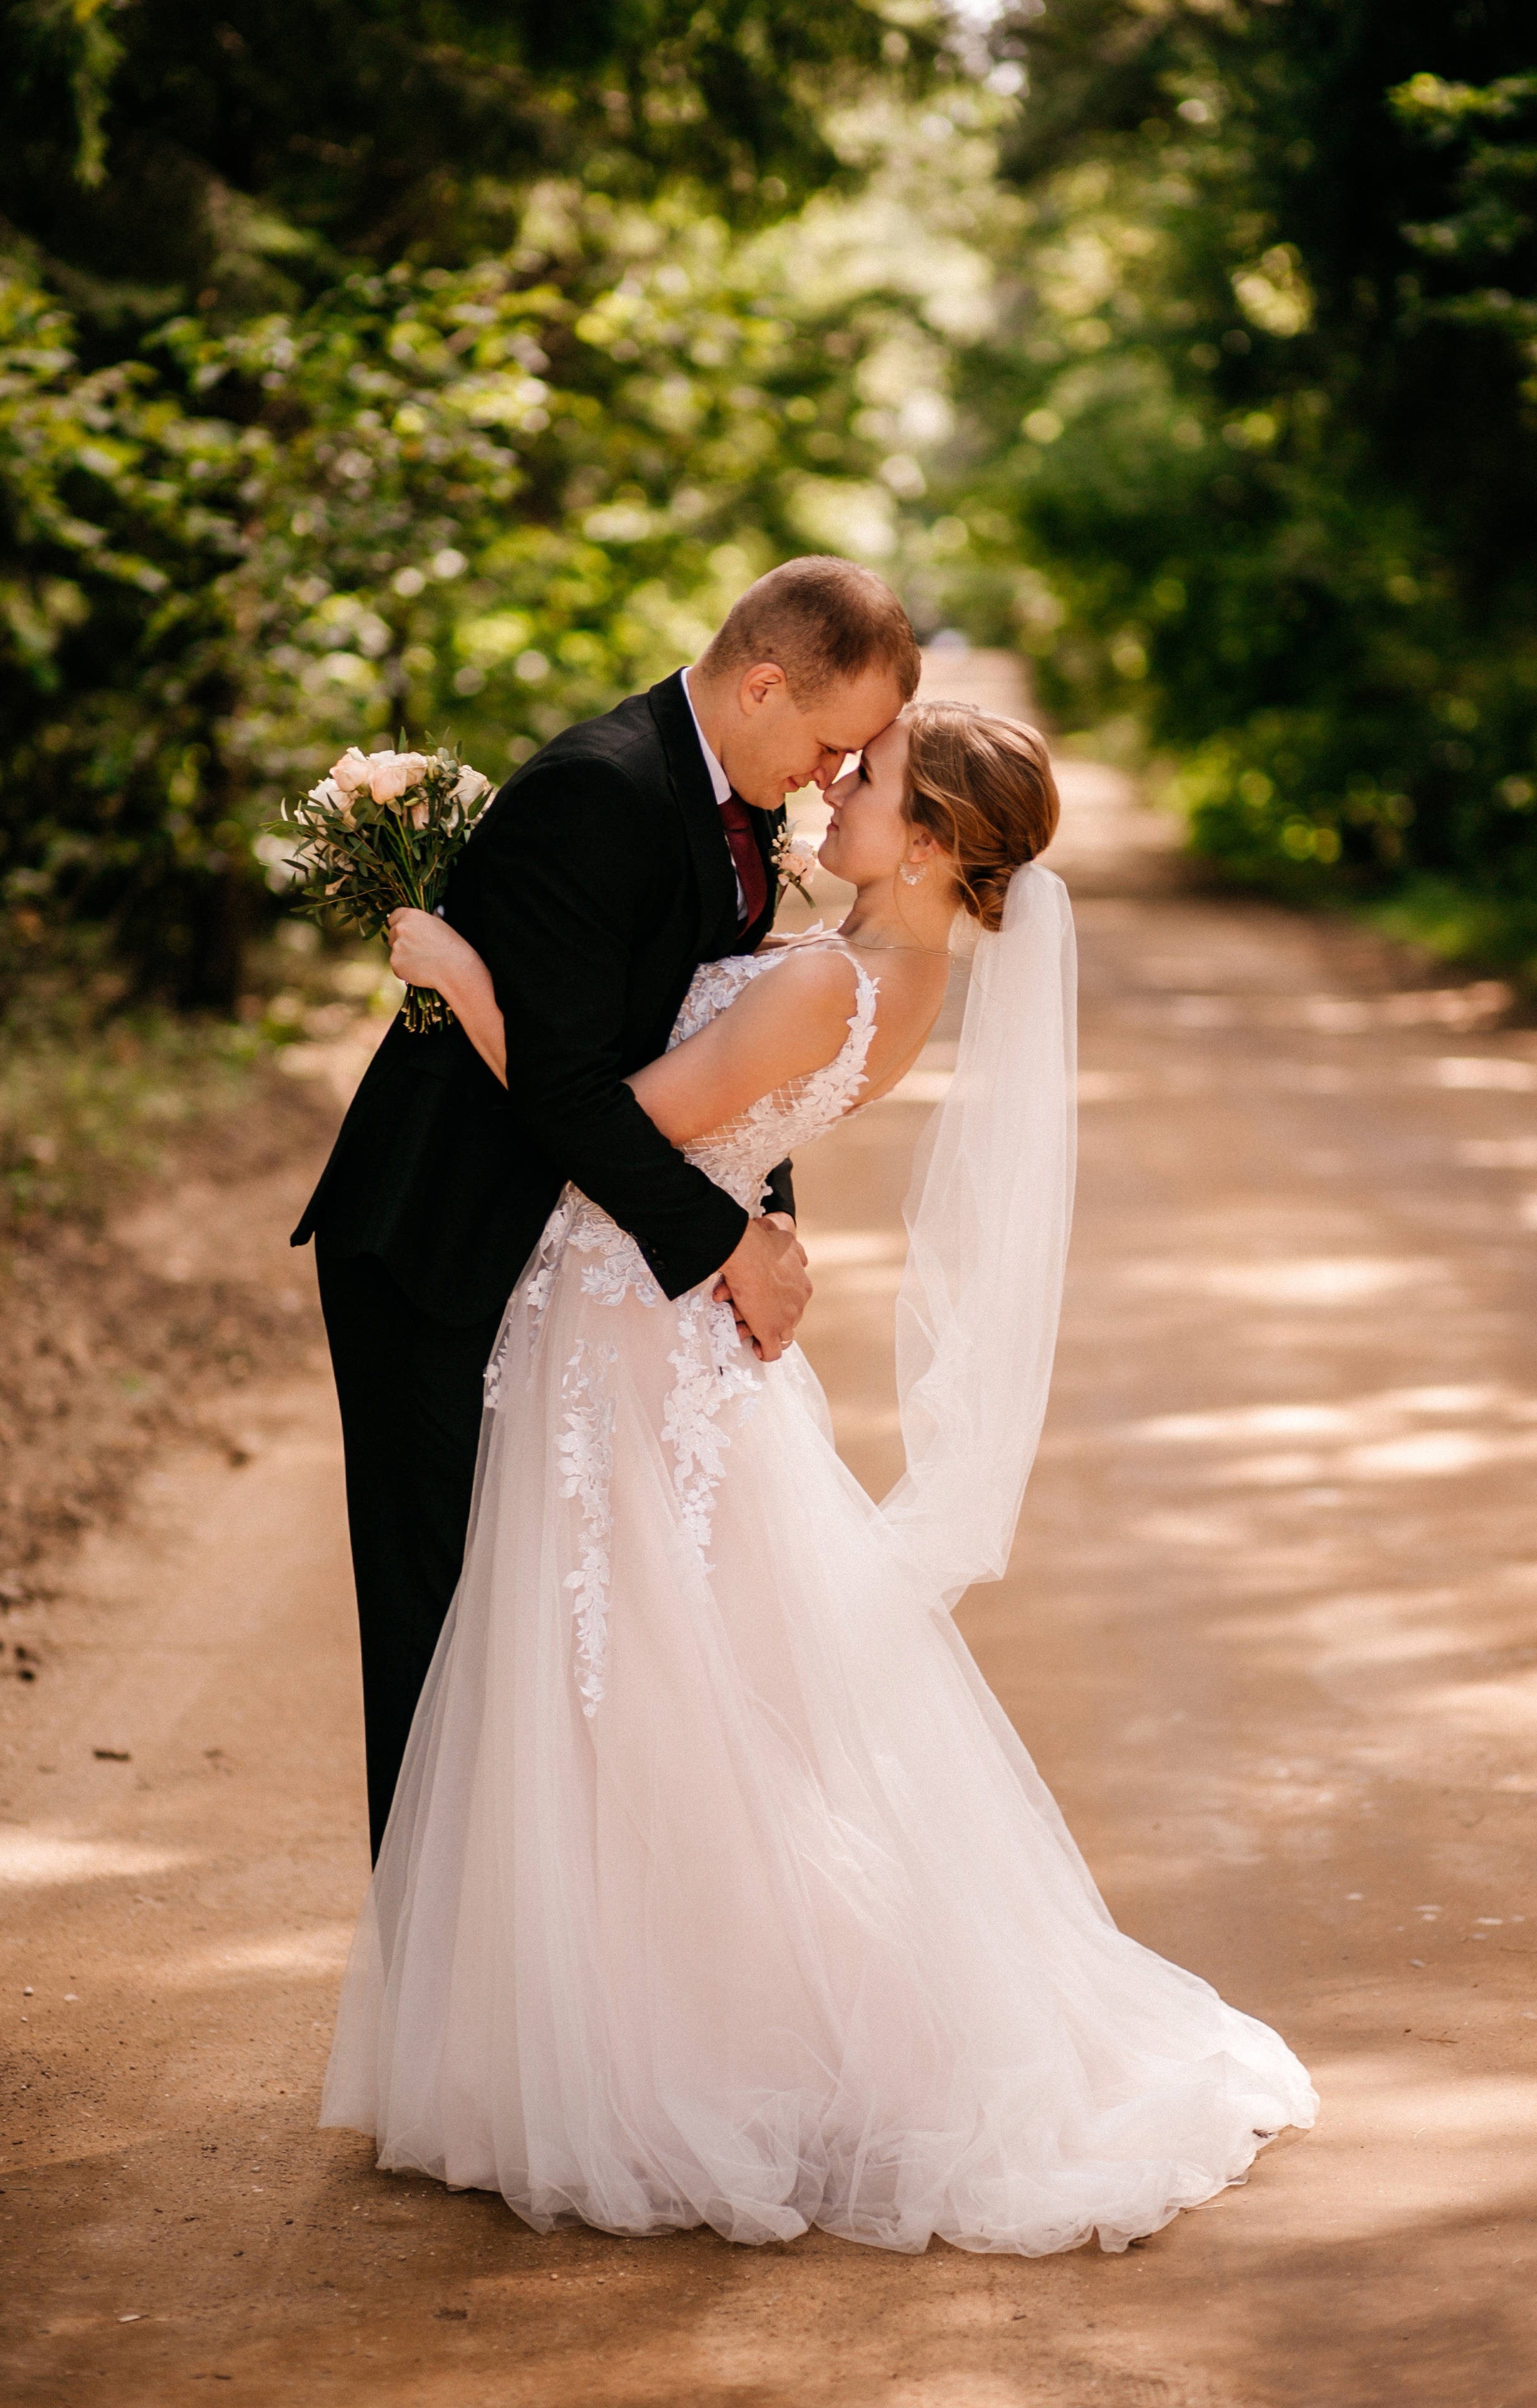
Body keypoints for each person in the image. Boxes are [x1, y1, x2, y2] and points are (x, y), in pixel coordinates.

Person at [320, 699, 1317, 2258]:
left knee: (623, 1686)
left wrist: (463, 975)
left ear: (927, 842)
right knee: (673, 1687)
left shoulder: (823, 980)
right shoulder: (890, 976)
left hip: (629, 1333)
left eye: (875, 779)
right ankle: (633, 2021)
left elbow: (610, 1133)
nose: (838, 786)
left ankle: (657, 2052)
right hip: (676, 1333)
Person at [292, 557, 921, 1862]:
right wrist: (727, 1247)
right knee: (440, 1631)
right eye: (829, 743)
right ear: (762, 686)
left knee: (548, 1632)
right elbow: (568, 1092)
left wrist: (762, 1209)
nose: (829, 777)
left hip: (575, 1247)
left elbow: (724, 1056)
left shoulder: (736, 803)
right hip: (442, 1242)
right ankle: (436, 1961)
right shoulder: (600, 789)